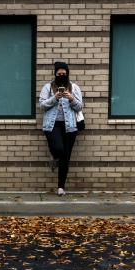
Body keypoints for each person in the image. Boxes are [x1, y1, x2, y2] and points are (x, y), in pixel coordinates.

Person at [39, 61, 83, 196]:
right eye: (59, 74)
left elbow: (80, 106)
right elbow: (41, 105)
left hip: (70, 127)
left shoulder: (74, 87)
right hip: (52, 125)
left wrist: (71, 99)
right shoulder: (48, 87)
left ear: (67, 74)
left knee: (66, 157)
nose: (62, 75)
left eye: (64, 73)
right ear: (55, 74)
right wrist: (55, 98)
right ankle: (55, 157)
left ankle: (61, 187)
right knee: (58, 149)